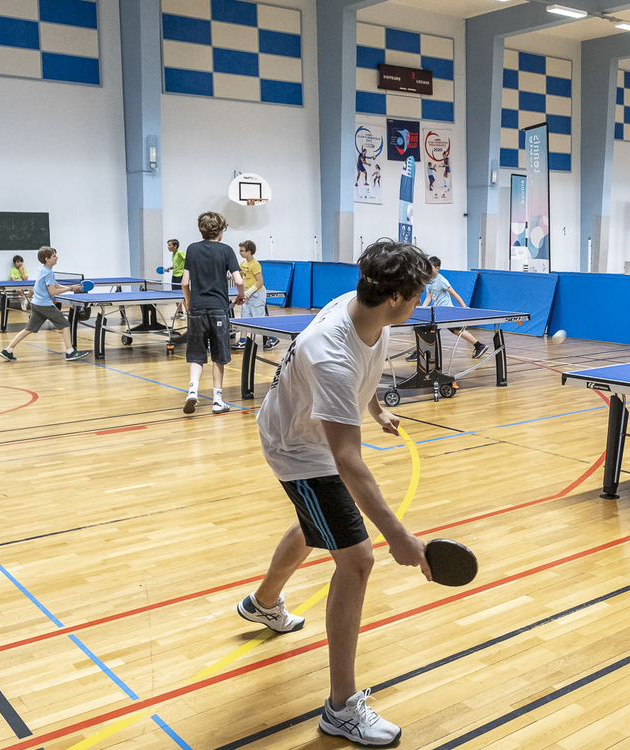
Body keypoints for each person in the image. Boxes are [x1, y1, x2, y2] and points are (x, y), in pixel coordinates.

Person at [238, 239, 432, 747]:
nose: (420, 305)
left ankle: (262, 603)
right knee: (358, 559)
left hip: (308, 430)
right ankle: (341, 709)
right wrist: (400, 538)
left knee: (315, 526)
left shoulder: (363, 308)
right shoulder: (332, 350)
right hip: (297, 447)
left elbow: (352, 384)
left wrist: (374, 410)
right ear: (394, 296)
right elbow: (348, 460)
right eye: (417, 296)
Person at [182, 211, 245, 415]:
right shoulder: (226, 251)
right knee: (219, 356)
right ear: (221, 230)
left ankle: (192, 391)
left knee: (197, 355)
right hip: (218, 309)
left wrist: (190, 303)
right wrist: (241, 296)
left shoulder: (192, 249)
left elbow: (184, 282)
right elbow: (239, 281)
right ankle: (217, 400)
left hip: (197, 309)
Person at [0, 247, 89, 362]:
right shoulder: (48, 273)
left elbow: (56, 285)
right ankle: (70, 352)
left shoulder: (43, 269)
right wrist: (70, 288)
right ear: (47, 259)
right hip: (44, 305)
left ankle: (8, 350)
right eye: (54, 256)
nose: (57, 258)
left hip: (36, 303)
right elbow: (53, 291)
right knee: (65, 324)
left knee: (29, 329)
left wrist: (73, 289)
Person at [405, 256, 488, 361]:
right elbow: (428, 297)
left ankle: (421, 353)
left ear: (437, 268)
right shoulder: (429, 281)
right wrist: (422, 310)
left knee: (436, 329)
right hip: (437, 312)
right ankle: (479, 345)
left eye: (430, 267)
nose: (428, 270)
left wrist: (464, 307)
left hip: (446, 312)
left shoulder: (442, 280)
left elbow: (454, 294)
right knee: (449, 330)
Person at [235, 239, 270, 350]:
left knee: (259, 320)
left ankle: (272, 338)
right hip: (247, 295)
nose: (240, 252)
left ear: (249, 252)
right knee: (244, 318)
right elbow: (239, 273)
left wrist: (248, 293)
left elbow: (260, 282)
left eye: (242, 251)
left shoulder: (255, 264)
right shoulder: (243, 263)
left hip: (257, 295)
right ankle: (242, 341)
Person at [166, 239, 187, 319]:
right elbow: (177, 264)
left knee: (183, 295)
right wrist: (170, 268)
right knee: (176, 295)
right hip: (174, 275)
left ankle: (187, 313)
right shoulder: (173, 255)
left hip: (180, 276)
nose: (168, 247)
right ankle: (180, 312)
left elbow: (188, 260)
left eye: (170, 245)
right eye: (168, 245)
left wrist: (186, 271)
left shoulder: (180, 253)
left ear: (175, 246)